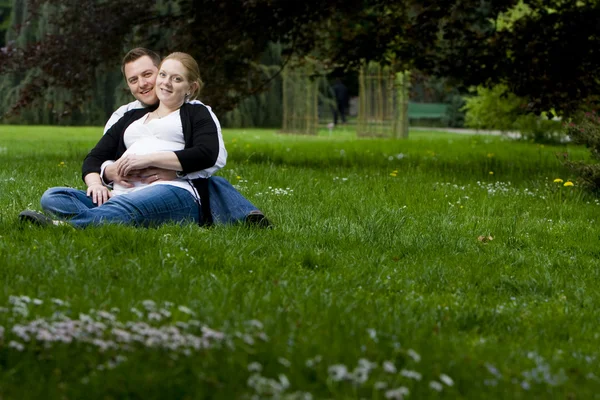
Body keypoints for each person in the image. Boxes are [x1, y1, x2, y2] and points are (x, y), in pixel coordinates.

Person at [19, 52, 265, 228]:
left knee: (128, 208)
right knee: (53, 196)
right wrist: (99, 180)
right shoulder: (130, 116)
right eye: (164, 76)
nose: (162, 82)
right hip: (121, 192)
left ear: (190, 87)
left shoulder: (195, 112)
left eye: (174, 78)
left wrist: (148, 161)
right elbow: (95, 157)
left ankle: (64, 227)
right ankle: (116, 218)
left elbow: (208, 154)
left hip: (171, 190)